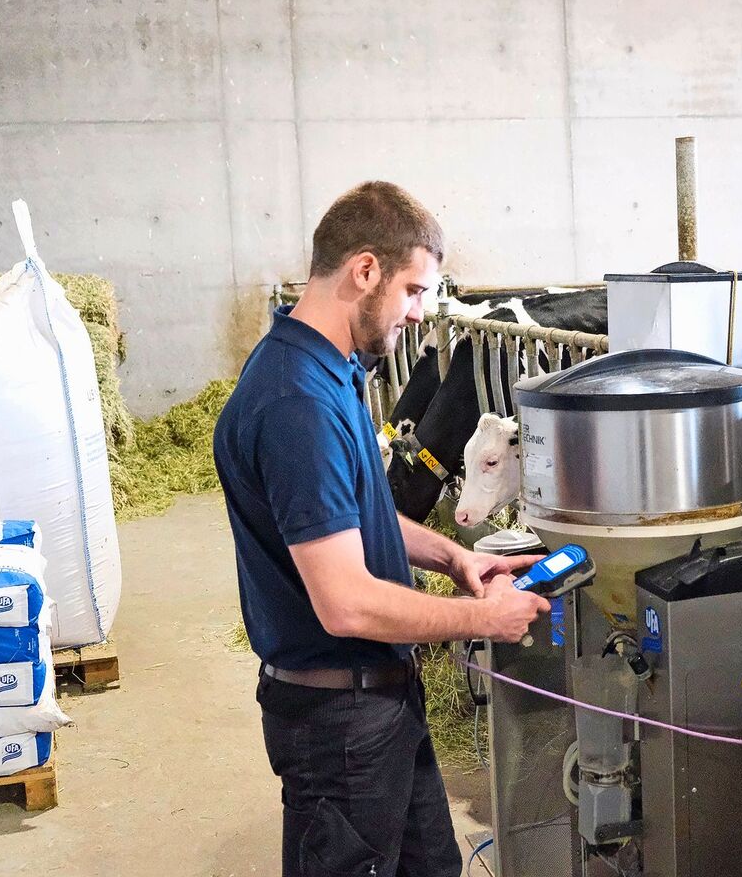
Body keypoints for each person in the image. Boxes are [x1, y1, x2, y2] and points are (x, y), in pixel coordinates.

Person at [213, 181, 550, 877]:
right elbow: (346, 603)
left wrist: (453, 558)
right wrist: (481, 619)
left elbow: (353, 516)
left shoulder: (325, 369)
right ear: (365, 270)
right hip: (339, 721)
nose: (420, 313)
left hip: (378, 700)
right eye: (414, 291)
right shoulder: (296, 403)